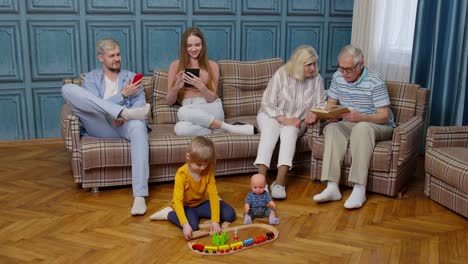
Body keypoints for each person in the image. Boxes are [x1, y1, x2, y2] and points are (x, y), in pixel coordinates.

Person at [61, 38, 150, 216]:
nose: (117, 58)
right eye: (112, 56)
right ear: (101, 58)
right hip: (98, 123)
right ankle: (122, 111)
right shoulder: (91, 79)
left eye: (118, 54)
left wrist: (125, 117)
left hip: (124, 123)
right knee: (68, 89)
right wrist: (121, 98)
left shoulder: (132, 78)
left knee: (139, 126)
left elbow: (141, 108)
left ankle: (139, 196)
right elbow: (95, 107)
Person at [313, 45, 395, 209]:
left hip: (377, 124)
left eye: (348, 69)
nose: (344, 73)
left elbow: (384, 115)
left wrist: (362, 117)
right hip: (350, 121)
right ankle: (332, 186)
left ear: (361, 64)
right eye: (341, 68)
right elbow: (330, 104)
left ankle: (359, 189)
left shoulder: (374, 81)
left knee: (362, 128)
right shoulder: (338, 77)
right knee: (332, 129)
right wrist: (331, 115)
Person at [254, 45, 326, 199]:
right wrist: (284, 119)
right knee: (269, 134)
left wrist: (314, 112)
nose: (313, 68)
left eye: (314, 63)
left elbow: (321, 103)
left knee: (289, 134)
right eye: (308, 64)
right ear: (299, 64)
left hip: (296, 121)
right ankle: (261, 182)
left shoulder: (317, 79)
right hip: (271, 115)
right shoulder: (282, 73)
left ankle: (279, 183)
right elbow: (267, 103)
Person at [166, 27, 255, 136]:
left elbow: (212, 98)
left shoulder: (212, 65)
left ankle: (220, 126)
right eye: (189, 46)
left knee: (181, 112)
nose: (193, 49)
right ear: (184, 47)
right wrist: (176, 88)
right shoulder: (175, 65)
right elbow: (169, 101)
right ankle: (226, 128)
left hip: (211, 107)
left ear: (203, 45)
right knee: (179, 129)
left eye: (197, 45)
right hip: (190, 110)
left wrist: (200, 86)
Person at [149, 136, 236, 240]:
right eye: (199, 164)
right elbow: (178, 201)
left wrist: (215, 221)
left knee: (230, 215)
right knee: (192, 228)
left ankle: (218, 202)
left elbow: (212, 195)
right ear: (188, 157)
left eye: (206, 164)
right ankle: (168, 214)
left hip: (202, 203)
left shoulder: (208, 171)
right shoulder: (181, 174)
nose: (203, 168)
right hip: (187, 206)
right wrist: (185, 225)